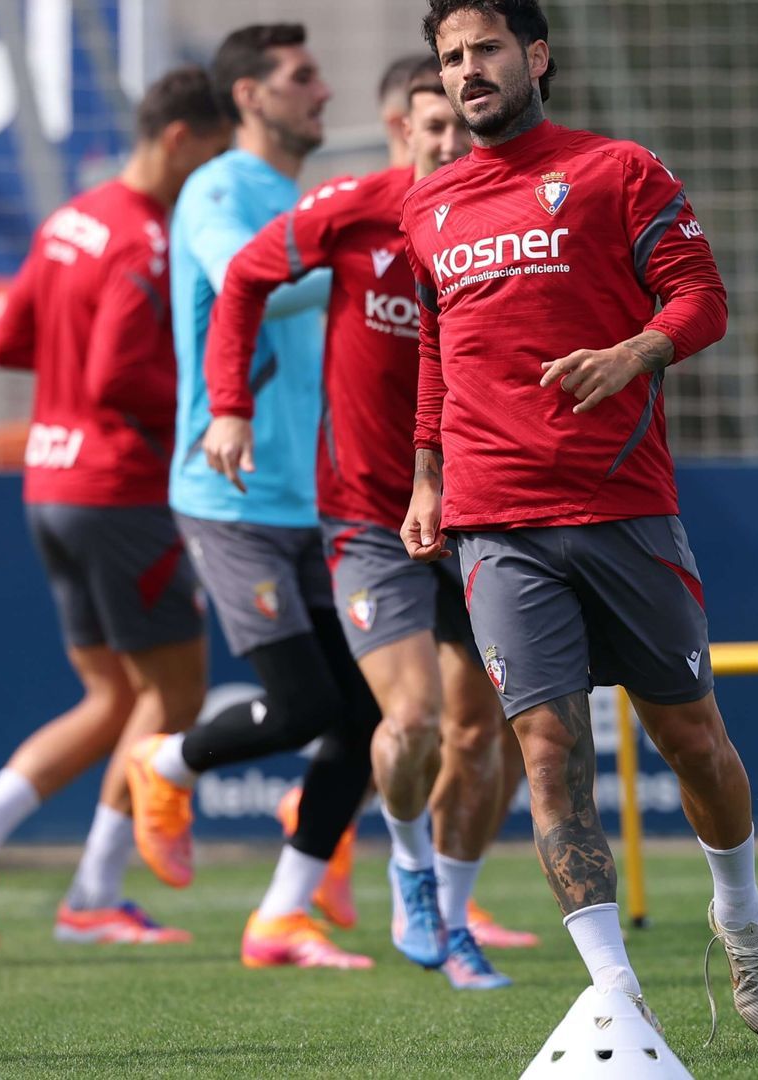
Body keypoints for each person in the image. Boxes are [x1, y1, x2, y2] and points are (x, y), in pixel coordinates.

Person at [402, 0, 758, 1037]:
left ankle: (741, 917)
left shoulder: (619, 170)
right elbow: (436, 350)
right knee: (547, 752)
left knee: (691, 738)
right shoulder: (426, 207)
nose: (468, 69)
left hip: (620, 504)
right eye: (451, 56)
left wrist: (633, 353)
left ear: (535, 55)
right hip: (494, 521)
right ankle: (616, 994)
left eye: (487, 48)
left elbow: (701, 297)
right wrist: (426, 475)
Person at [205, 60, 515, 991]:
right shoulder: (351, 211)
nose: (449, 143)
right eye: (432, 126)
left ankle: (453, 920)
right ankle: (409, 873)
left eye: (462, 126)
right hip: (368, 519)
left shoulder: (513, 223)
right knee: (409, 721)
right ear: (402, 129)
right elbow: (244, 278)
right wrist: (230, 407)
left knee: (483, 737)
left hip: (481, 512)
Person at [0, 67, 233, 949]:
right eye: (213, 155)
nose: (215, 176)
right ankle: (89, 891)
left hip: (51, 483)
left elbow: (11, 341)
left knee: (116, 695)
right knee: (178, 691)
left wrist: (76, 373)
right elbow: (117, 376)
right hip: (119, 491)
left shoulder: (68, 220)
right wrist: (213, 396)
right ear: (178, 139)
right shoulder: (146, 239)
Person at [121, 23, 379, 971]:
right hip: (229, 494)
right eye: (302, 77)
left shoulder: (303, 200)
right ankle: (165, 762)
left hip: (316, 497)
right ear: (250, 97)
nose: (322, 92)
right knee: (305, 705)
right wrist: (359, 262)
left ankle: (279, 915)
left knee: (366, 716)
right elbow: (245, 281)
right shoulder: (218, 188)